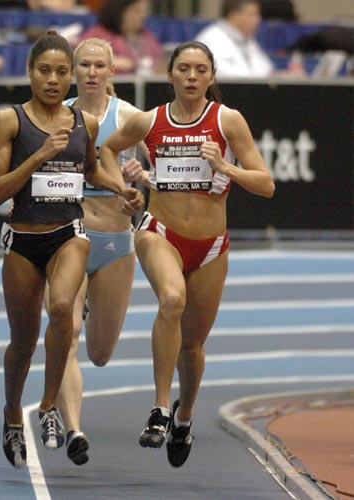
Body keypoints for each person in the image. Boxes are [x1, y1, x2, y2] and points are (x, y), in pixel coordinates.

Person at [99, 40, 275, 468]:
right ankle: (160, 408)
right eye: (184, 69)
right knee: (171, 300)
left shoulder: (227, 121)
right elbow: (104, 148)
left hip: (211, 246)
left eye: (201, 70)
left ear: (211, 77)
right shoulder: (149, 121)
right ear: (170, 75)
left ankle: (184, 415)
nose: (192, 76)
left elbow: (266, 184)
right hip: (160, 232)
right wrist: (123, 188)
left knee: (193, 348)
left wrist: (226, 167)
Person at [0, 30, 143, 469]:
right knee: (22, 342)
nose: (54, 79)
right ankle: (11, 413)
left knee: (61, 313)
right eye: (45, 71)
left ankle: (48, 406)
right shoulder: (10, 121)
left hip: (69, 234)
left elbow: (91, 170)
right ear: (30, 72)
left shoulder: (84, 124)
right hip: (23, 239)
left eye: (61, 72)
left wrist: (122, 189)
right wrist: (37, 158)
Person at [46, 37, 145, 466]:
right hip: (68, 234)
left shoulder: (132, 119)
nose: (89, 72)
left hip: (115, 240)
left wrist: (142, 178)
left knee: (100, 353)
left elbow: (159, 180)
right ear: (72, 70)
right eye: (82, 64)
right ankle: (73, 429)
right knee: (65, 331)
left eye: (97, 65)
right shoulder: (56, 116)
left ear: (111, 71)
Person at [77, 0, 163, 75]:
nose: (143, 16)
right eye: (137, 11)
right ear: (119, 12)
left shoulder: (148, 37)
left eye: (144, 11)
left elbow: (160, 62)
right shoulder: (96, 35)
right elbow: (80, 59)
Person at [195, 0, 277, 78]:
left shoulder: (247, 40)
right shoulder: (211, 39)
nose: (258, 20)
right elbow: (224, 77)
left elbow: (267, 70)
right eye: (252, 15)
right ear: (233, 15)